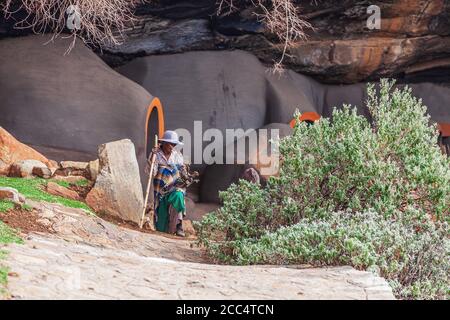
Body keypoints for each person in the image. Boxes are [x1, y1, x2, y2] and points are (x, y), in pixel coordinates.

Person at [145, 130, 186, 237]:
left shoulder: (177, 156)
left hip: (174, 187)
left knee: (178, 196)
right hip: (161, 190)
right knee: (161, 227)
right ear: (163, 143)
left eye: (174, 144)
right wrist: (152, 161)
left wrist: (184, 173)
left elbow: (182, 173)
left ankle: (179, 225)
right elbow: (152, 173)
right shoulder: (156, 155)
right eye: (170, 144)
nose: (172, 146)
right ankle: (167, 230)